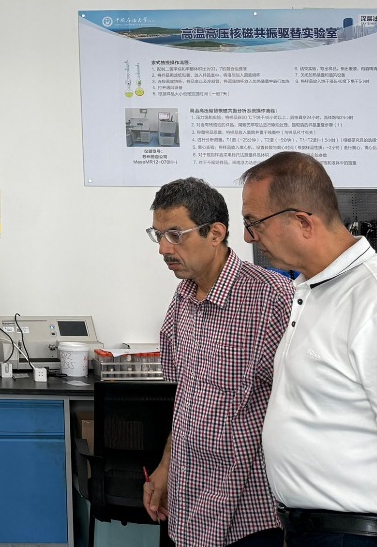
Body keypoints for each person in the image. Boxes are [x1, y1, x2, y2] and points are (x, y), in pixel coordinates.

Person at [240, 152, 377, 547]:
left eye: (254, 224)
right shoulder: (311, 291)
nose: (248, 238)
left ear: (303, 222)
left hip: (356, 536)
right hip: (308, 530)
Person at [143, 177, 292, 547]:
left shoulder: (271, 299)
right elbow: (187, 401)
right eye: (158, 235)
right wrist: (166, 466)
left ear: (215, 233)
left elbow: (304, 407)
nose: (163, 248)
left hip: (249, 510)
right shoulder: (183, 298)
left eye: (175, 234)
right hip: (189, 500)